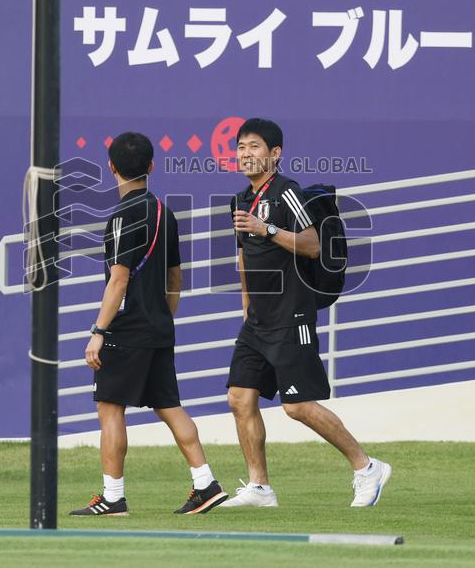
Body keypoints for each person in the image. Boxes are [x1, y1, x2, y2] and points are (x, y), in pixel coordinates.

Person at [219, 118, 392, 508]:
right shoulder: (240, 200)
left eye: (255, 147)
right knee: (239, 397)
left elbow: (312, 244)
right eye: (241, 147)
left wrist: (267, 230)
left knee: (297, 406)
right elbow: (244, 256)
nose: (246, 154)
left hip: (291, 316)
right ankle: (260, 488)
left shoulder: (287, 192)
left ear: (275, 154)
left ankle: (367, 468)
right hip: (258, 321)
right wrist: (246, 306)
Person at [70, 131, 228, 516]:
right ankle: (206, 484)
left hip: (127, 330)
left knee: (109, 408)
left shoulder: (122, 216)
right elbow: (175, 277)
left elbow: (118, 279)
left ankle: (112, 497)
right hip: (158, 327)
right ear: (151, 166)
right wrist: (161, 318)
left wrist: (98, 332)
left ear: (111, 168)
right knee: (170, 406)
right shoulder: (164, 212)